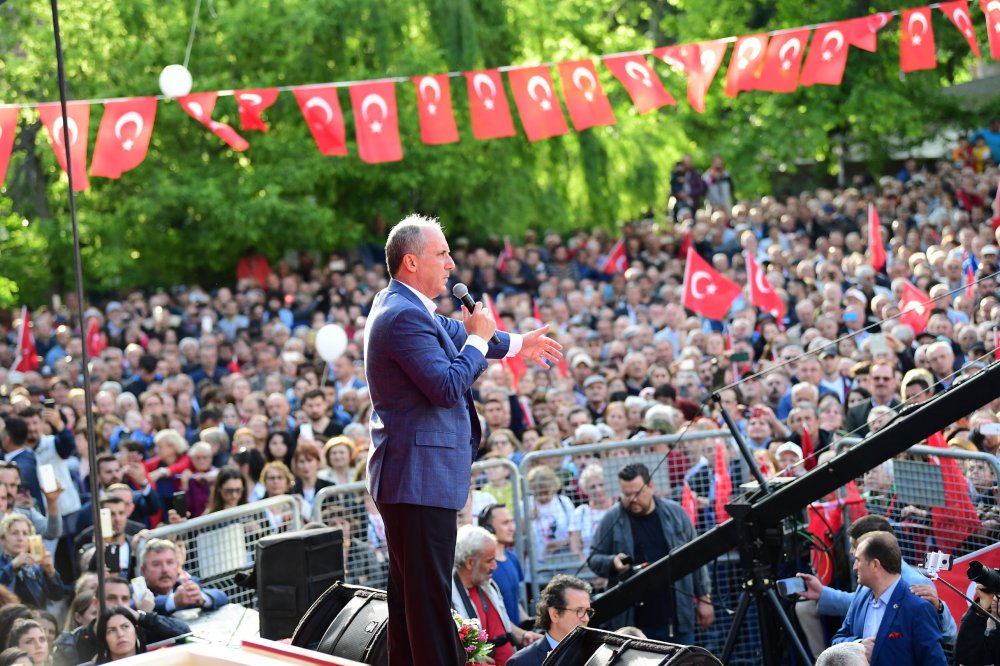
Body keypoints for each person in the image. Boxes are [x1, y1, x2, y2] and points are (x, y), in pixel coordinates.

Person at [363, 215, 561, 666]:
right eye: (442, 254)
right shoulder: (400, 315)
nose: (452, 264)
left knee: (410, 601)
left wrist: (516, 344)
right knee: (429, 605)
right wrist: (477, 341)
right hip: (415, 480)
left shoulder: (404, 306)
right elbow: (447, 385)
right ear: (411, 261)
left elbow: (459, 335)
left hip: (413, 479)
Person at [587, 463, 712, 644]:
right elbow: (593, 558)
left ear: (651, 486)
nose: (632, 499)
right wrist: (612, 563)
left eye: (637, 493)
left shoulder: (675, 514)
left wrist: (704, 599)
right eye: (626, 494)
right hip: (633, 623)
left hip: (676, 614)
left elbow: (696, 557)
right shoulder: (612, 519)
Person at [831, 531, 945, 665]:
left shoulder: (917, 608)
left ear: (875, 564)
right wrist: (858, 645)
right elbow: (837, 640)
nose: (855, 567)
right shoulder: (861, 596)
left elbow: (935, 662)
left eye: (858, 560)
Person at [449, 525, 542, 666]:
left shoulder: (488, 585)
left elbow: (501, 626)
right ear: (470, 562)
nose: (494, 566)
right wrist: (467, 656)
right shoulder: (449, 596)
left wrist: (523, 635)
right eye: (489, 560)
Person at [52, 574, 189, 666]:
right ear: (95, 602)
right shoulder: (70, 644)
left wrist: (141, 616)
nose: (118, 604)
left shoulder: (139, 628)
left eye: (124, 599)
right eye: (111, 598)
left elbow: (184, 632)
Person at [507, 574, 592, 666]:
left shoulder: (597, 653)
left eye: (587, 611)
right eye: (578, 610)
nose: (586, 618)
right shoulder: (522, 662)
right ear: (554, 614)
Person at [139, 538, 227, 615]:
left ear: (178, 566)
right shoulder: (135, 592)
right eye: (156, 564)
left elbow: (221, 596)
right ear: (143, 570)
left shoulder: (186, 584)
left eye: (170, 562)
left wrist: (202, 598)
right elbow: (134, 607)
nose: (165, 570)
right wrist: (173, 601)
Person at [0, 513, 66, 610]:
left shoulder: (36, 565)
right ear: (2, 539)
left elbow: (57, 596)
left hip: (38, 619)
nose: (20, 538)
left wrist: (50, 573)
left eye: (25, 533)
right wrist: (13, 566)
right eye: (14, 533)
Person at [478, 504, 527, 626]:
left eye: (512, 522)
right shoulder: (482, 564)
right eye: (505, 523)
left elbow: (515, 600)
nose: (512, 528)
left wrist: (528, 625)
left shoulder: (512, 558)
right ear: (488, 528)